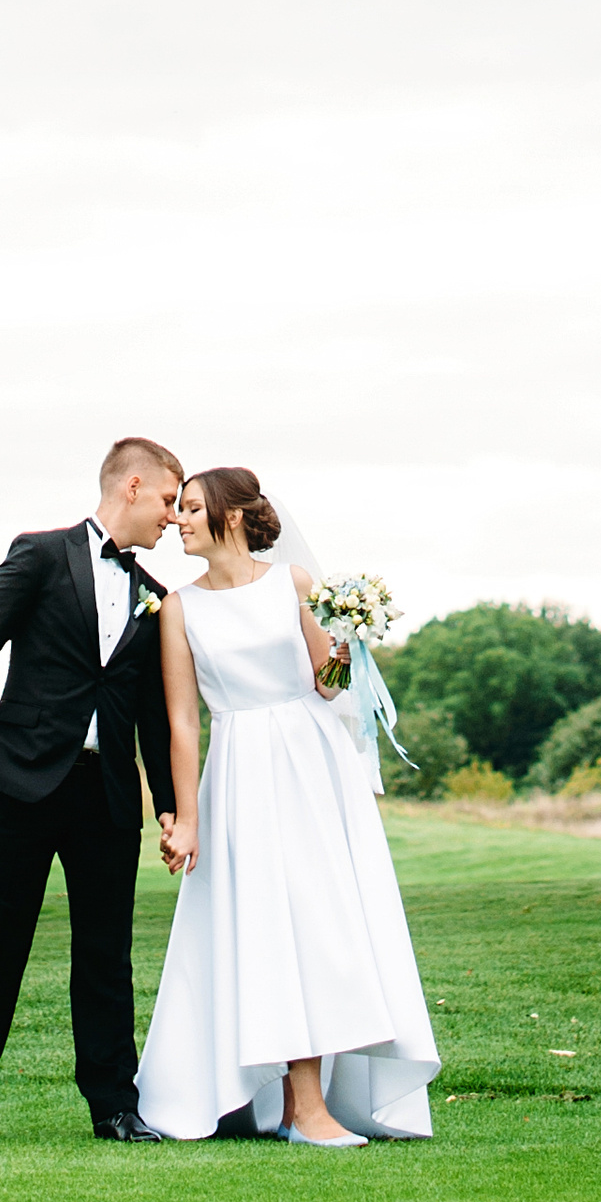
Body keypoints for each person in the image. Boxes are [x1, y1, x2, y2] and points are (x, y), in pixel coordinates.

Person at [135, 465, 439, 1145]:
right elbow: (184, 722)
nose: (177, 521)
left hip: (311, 764)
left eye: (189, 508)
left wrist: (347, 645)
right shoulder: (179, 608)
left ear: (233, 516)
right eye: (177, 509)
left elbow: (326, 685)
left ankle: (315, 1103)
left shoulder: (292, 584)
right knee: (269, 925)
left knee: (322, 921)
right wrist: (185, 818)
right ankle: (297, 1109)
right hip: (241, 772)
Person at [0, 436, 183, 1143]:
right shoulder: (37, 553)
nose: (172, 517)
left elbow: (155, 716)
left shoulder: (155, 599)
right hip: (20, 787)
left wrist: (167, 808)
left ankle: (114, 1109)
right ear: (130, 485)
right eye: (165, 500)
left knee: (104, 957)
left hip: (107, 799)